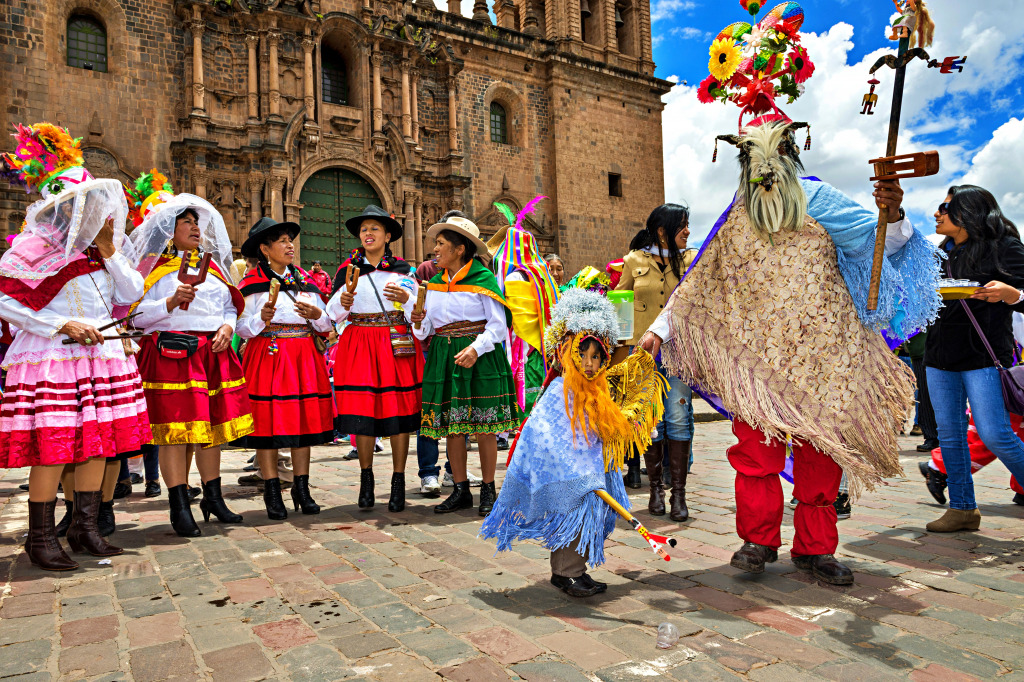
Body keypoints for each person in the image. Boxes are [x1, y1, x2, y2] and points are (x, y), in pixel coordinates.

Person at [642, 20, 943, 585]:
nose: (762, 175)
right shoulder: (737, 216)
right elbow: (700, 283)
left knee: (820, 455)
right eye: (750, 163)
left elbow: (890, 244)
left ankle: (815, 548)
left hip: (822, 354)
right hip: (756, 361)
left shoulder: (822, 200)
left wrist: (893, 211)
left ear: (790, 154)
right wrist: (660, 328)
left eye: (773, 158)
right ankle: (757, 544)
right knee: (754, 454)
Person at [0, 123, 151, 570]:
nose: (95, 212)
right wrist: (59, 323)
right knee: (56, 445)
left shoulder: (101, 249)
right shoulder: (33, 246)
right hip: (55, 357)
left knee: (97, 444)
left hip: (102, 355)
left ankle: (83, 527)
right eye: (85, 205)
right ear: (62, 208)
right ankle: (40, 537)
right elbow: (6, 299)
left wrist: (110, 251)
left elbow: (130, 291)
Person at [481, 289, 666, 597]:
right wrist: (573, 467)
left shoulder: (597, 390)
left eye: (597, 357)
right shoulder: (560, 392)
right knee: (571, 514)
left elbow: (604, 426)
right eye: (583, 355)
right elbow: (545, 434)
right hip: (568, 474)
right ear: (567, 352)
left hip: (590, 469)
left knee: (586, 517)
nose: (590, 364)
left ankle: (575, 571)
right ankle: (566, 574)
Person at [127, 171, 253, 536]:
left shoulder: (211, 267)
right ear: (169, 229)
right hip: (171, 355)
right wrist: (169, 301)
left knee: (210, 431)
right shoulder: (153, 270)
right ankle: (178, 505)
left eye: (197, 222)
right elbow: (134, 316)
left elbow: (230, 306)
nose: (195, 227)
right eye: (186, 222)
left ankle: (213, 498)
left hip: (211, 353)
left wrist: (228, 327)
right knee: (175, 433)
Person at [922, 185, 1024, 532]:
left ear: (969, 212)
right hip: (939, 356)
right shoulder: (940, 254)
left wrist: (1013, 294)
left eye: (945, 207)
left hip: (985, 355)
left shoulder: (1005, 248)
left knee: (995, 434)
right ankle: (963, 508)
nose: (938, 214)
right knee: (949, 436)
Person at [412, 216, 521, 516]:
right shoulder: (433, 285)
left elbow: (498, 326)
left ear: (460, 249)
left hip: (481, 356)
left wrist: (476, 348)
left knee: (485, 427)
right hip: (444, 356)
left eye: (441, 244)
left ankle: (488, 488)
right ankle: (460, 489)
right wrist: (418, 323)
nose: (435, 249)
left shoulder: (483, 281)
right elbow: (427, 330)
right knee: (453, 427)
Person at [237, 218, 335, 519]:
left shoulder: (306, 283)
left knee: (303, 424)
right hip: (268, 354)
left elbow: (327, 325)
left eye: (290, 240)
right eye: (281, 240)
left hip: (303, 356)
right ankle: (271, 489)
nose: (289, 245)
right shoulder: (251, 286)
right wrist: (260, 319)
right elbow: (241, 327)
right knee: (268, 425)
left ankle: (301, 488)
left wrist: (317, 313)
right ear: (265, 249)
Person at [326, 205, 423, 512]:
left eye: (375, 229)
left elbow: (418, 312)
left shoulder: (403, 271)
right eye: (364, 229)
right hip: (358, 342)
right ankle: (365, 480)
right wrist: (343, 300)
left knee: (397, 414)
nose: (368, 234)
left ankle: (398, 481)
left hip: (394, 342)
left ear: (388, 235)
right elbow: (333, 314)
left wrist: (406, 299)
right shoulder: (348, 271)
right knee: (362, 414)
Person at [616, 204, 696, 522]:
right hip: (643, 359)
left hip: (679, 356)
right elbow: (620, 302)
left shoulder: (690, 260)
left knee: (678, 419)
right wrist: (619, 352)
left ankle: (678, 494)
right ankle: (656, 491)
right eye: (682, 225)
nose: (688, 230)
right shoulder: (634, 260)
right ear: (662, 230)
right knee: (652, 423)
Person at [486, 197, 560, 417]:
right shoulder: (542, 274)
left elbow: (513, 320)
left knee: (527, 412)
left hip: (522, 352)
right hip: (544, 351)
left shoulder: (514, 279)